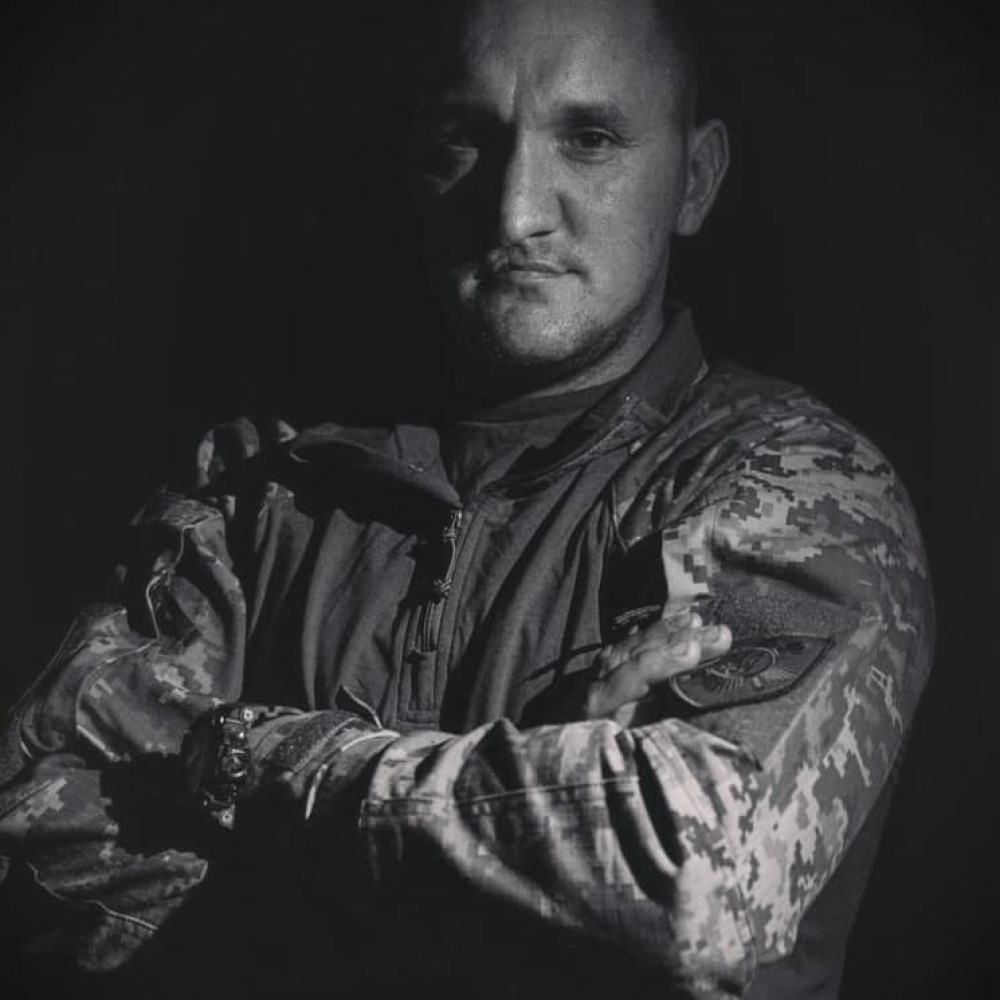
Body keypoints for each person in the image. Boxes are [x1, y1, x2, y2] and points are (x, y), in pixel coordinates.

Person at [0, 1, 933, 997]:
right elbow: (31, 844)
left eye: (590, 138)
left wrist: (227, 751)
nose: (515, 211)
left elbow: (691, 890)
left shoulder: (795, 484)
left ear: (694, 178)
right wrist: (526, 823)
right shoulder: (256, 492)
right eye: (466, 139)